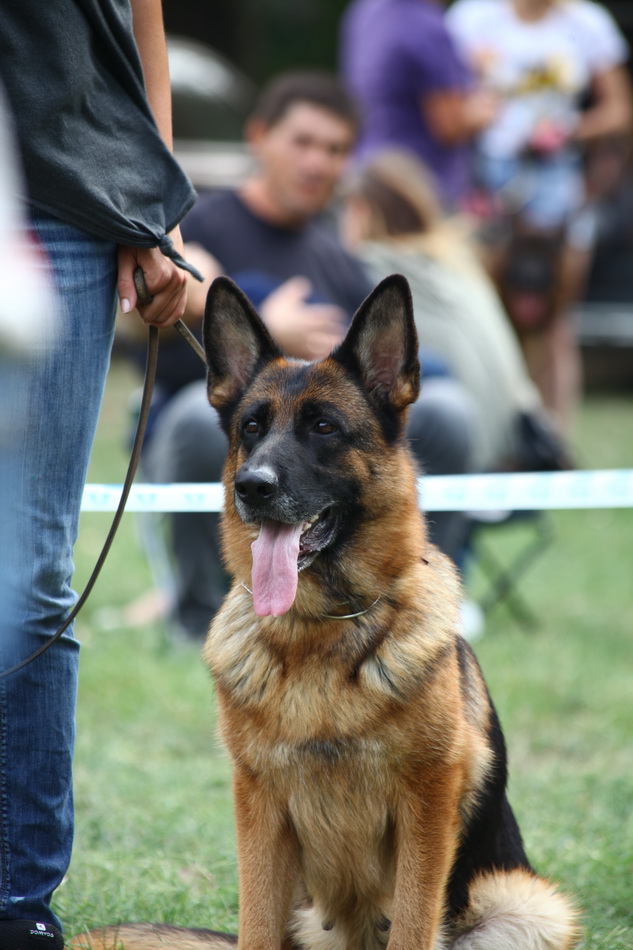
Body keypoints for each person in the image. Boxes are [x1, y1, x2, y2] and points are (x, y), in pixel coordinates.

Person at [142, 72, 478, 641]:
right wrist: (270, 332)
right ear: (259, 138)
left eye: (335, 149)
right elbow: (137, 332)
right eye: (303, 142)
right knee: (204, 419)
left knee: (448, 410)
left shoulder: (337, 258)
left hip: (317, 449)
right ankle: (197, 615)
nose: (318, 163)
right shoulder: (196, 224)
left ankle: (419, 584)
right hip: (201, 432)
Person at [0, 1, 197, 945]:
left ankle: (17, 898)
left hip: (58, 211)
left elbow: (139, 28)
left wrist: (150, 211)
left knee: (30, 573)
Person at [446, 0, 633, 431]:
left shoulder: (587, 21)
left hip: (558, 193)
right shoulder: (471, 17)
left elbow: (620, 111)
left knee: (555, 321)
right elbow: (448, 103)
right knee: (485, 314)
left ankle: (554, 442)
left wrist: (570, 129)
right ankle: (493, 434)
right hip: (489, 190)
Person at [340, 147, 558, 473]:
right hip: (518, 445)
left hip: (467, 453)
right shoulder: (457, 259)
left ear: (361, 212)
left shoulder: (376, 267)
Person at [338, 0, 498, 209]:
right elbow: (450, 126)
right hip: (420, 188)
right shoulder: (426, 26)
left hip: (368, 174)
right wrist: (488, 103)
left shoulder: (366, 10)